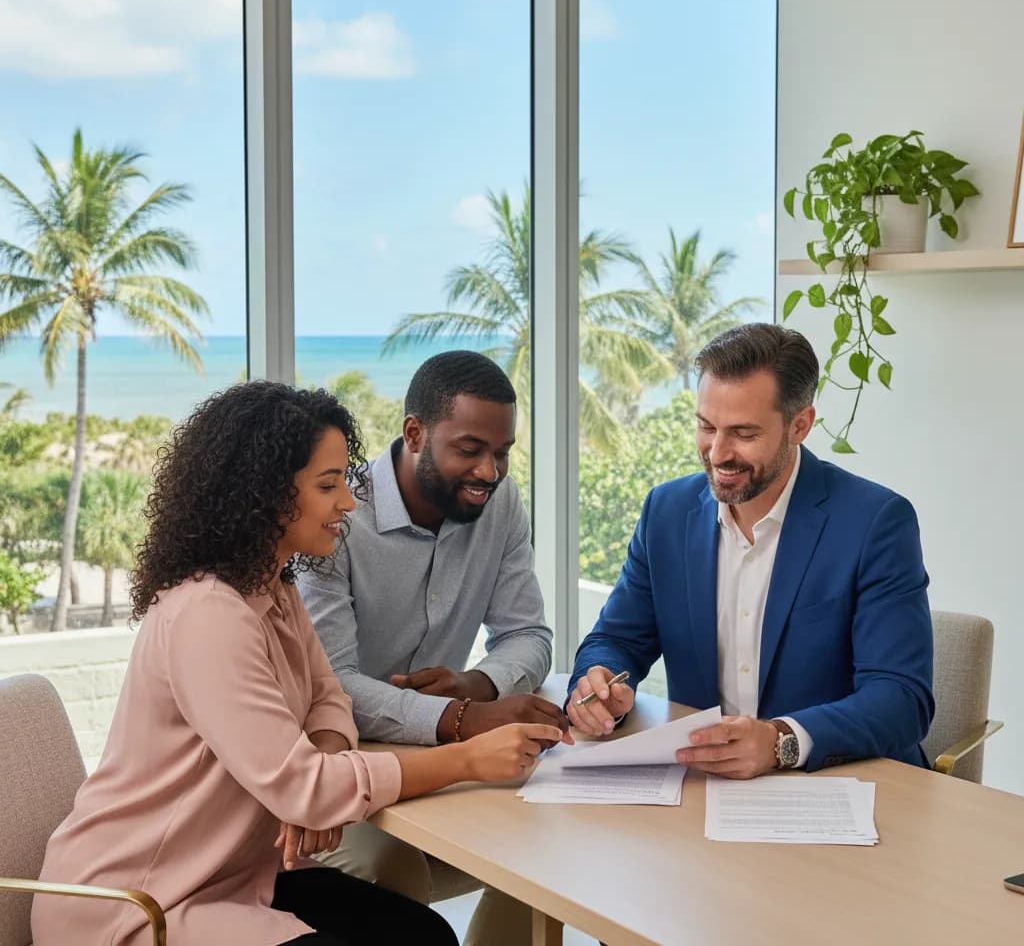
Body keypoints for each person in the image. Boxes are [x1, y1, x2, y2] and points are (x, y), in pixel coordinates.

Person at [31, 382, 567, 946]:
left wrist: (323, 777)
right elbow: (304, 785)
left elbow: (327, 694)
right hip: (137, 904)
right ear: (264, 494)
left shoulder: (272, 585)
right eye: (328, 485)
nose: (348, 503)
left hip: (231, 878)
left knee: (422, 936)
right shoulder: (207, 614)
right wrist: (466, 759)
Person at [568, 323, 934, 778]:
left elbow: (901, 698)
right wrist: (600, 683)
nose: (718, 452)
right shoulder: (666, 511)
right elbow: (617, 639)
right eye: (706, 426)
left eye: (743, 433)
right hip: (707, 788)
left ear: (800, 424)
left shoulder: (875, 522)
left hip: (846, 785)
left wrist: (781, 740)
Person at [299, 350, 562, 946]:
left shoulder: (501, 503)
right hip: (331, 763)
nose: (490, 472)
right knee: (387, 869)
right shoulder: (334, 515)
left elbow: (528, 635)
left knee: (544, 831)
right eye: (470, 450)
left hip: (434, 759)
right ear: (414, 433)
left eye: (502, 453)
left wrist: (478, 683)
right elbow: (332, 685)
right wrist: (463, 719)